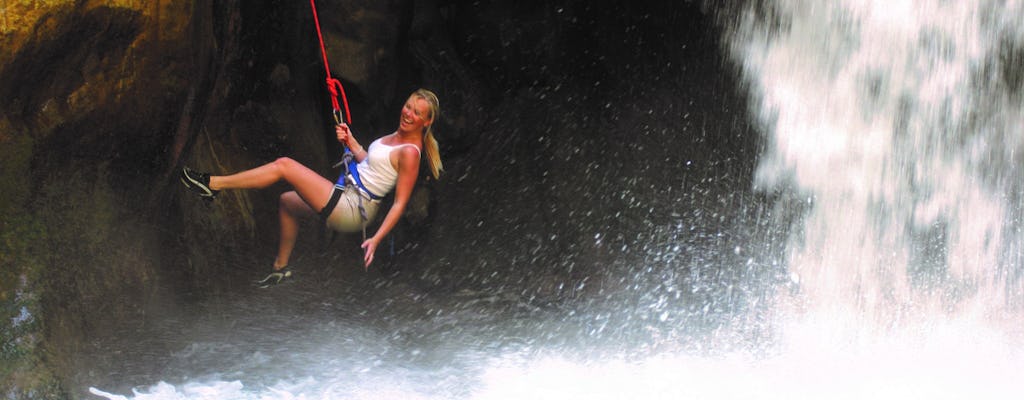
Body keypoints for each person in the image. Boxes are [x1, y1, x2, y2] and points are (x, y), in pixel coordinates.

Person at [180, 89, 442, 287]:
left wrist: (376, 238)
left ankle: (212, 185)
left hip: (352, 208)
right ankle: (280, 268)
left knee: (284, 166)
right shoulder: (396, 137)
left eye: (417, 113)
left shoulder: (410, 152)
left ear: (426, 122)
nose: (408, 114)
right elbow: (372, 166)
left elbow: (399, 203)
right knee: (287, 202)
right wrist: (352, 143)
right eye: (408, 107)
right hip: (347, 196)